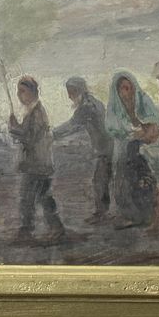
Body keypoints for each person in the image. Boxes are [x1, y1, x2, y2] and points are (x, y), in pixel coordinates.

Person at [106, 70, 159, 232]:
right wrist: (131, 132)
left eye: (130, 87)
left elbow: (157, 124)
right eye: (123, 88)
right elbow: (112, 127)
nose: (128, 92)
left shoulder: (143, 100)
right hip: (141, 149)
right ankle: (155, 220)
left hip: (158, 150)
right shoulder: (115, 106)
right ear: (117, 91)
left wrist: (146, 131)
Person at [8, 76, 65, 242]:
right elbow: (28, 134)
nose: (19, 95)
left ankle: (30, 230)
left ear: (32, 92)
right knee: (40, 197)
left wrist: (14, 129)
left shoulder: (38, 112)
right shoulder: (32, 112)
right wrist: (17, 127)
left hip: (38, 165)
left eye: (22, 91)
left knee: (32, 198)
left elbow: (30, 138)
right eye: (18, 91)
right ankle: (49, 228)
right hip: (36, 164)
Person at [52, 76, 114, 223]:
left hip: (105, 149)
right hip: (107, 147)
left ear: (78, 90)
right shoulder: (94, 102)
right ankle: (103, 212)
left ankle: (102, 214)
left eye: (71, 92)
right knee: (103, 180)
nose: (69, 96)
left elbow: (73, 124)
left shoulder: (86, 107)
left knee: (100, 181)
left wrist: (52, 134)